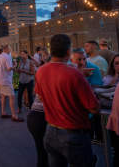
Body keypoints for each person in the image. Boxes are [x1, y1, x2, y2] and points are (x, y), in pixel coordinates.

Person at [35, 34, 99, 167]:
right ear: (69, 51)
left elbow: (40, 97)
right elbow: (94, 108)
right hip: (74, 134)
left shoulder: (41, 71)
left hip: (51, 132)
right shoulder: (75, 74)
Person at [0, 45, 23, 122]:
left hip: (0, 79)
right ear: (7, 49)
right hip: (6, 80)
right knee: (12, 97)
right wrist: (14, 65)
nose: (11, 50)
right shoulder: (7, 57)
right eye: (10, 48)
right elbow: (9, 68)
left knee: (3, 96)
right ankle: (14, 115)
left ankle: (3, 112)